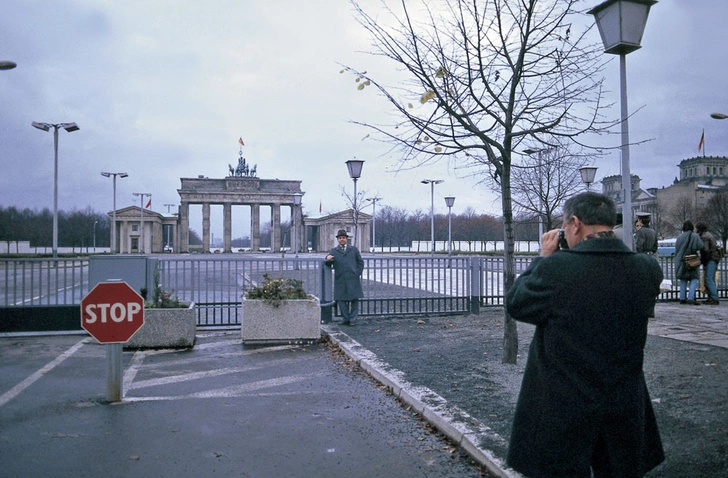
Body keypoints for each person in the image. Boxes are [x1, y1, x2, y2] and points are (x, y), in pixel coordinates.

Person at [505, 192, 665, 477]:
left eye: (565, 226)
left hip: (563, 404)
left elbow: (517, 303)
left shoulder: (557, 268)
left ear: (575, 223)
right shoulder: (646, 268)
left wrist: (542, 259)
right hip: (623, 403)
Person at [325, 229, 364, 325]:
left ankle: (353, 319)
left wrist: (357, 272)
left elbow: (360, 262)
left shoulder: (354, 249)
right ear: (337, 240)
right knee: (341, 299)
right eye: (339, 238)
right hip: (340, 278)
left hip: (353, 278)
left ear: (347, 239)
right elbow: (328, 262)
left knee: (354, 299)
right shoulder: (334, 251)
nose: (341, 239)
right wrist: (327, 258)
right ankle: (345, 318)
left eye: (343, 238)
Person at [675, 220, 704, 305]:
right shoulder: (694, 236)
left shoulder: (679, 237)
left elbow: (677, 249)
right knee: (694, 278)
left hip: (682, 260)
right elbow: (700, 246)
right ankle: (690, 297)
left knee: (683, 279)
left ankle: (682, 298)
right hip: (692, 260)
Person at [696, 221, 720, 305]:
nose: (696, 230)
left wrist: (703, 261)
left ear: (699, 229)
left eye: (697, 228)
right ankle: (711, 297)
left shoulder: (704, 237)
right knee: (710, 278)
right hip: (714, 258)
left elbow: (705, 249)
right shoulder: (708, 234)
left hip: (711, 259)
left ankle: (714, 298)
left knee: (709, 278)